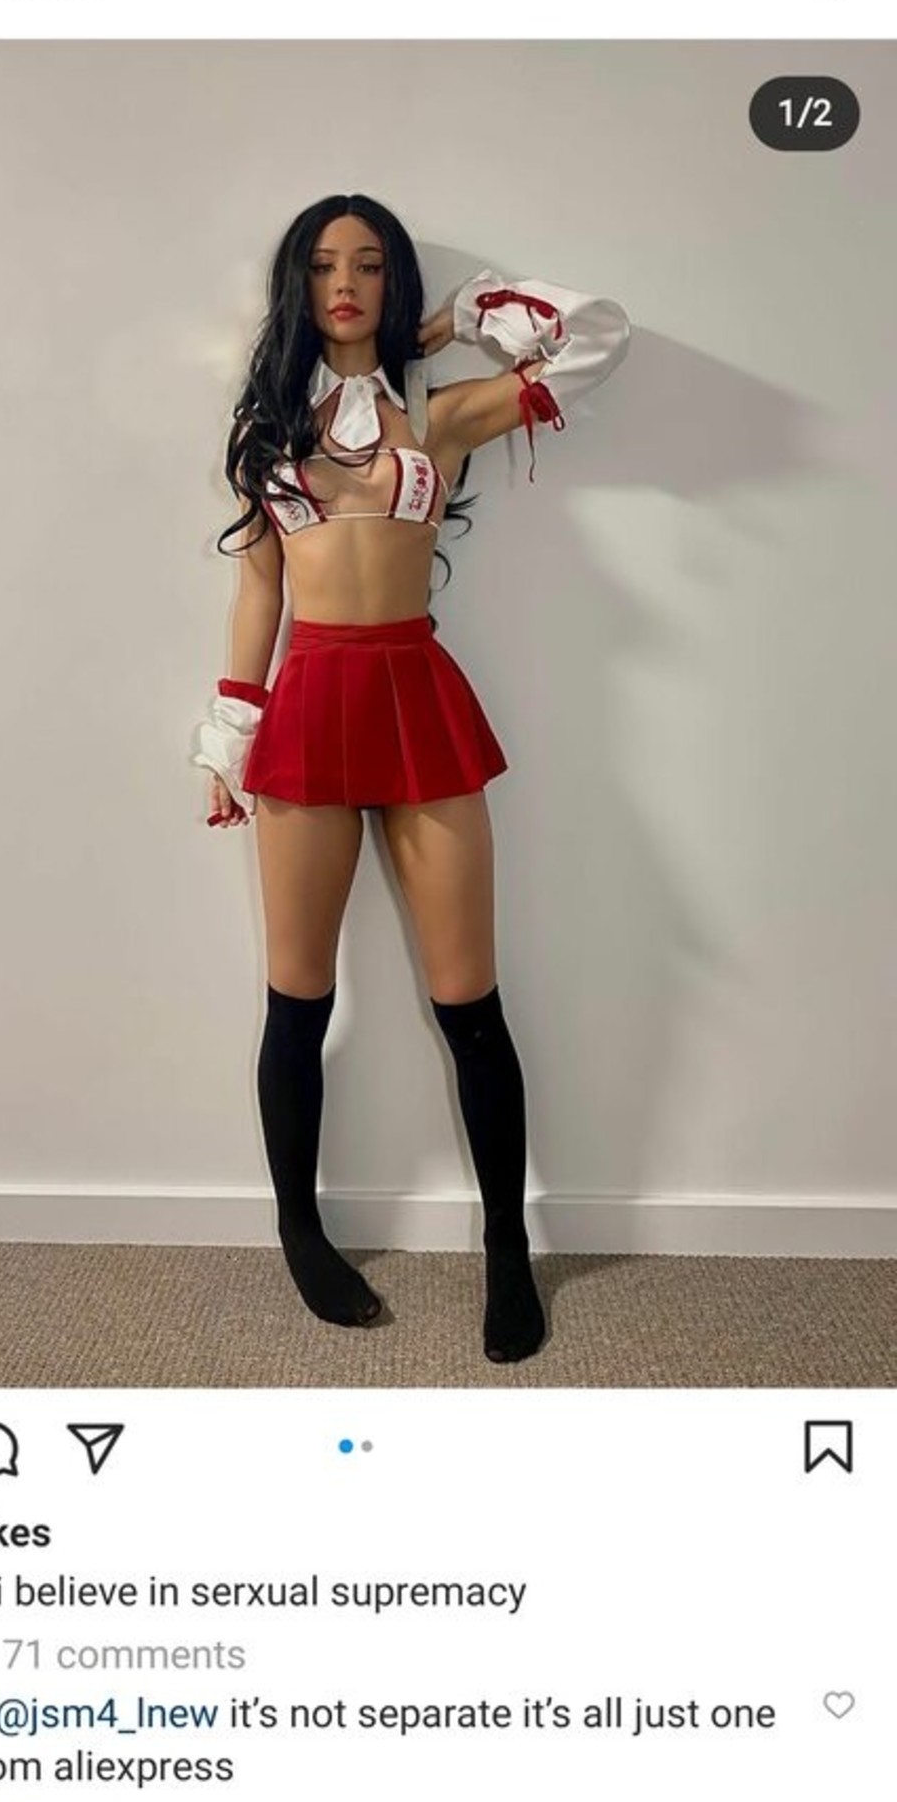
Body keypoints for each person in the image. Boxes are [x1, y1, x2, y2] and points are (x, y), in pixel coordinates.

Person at [194, 194, 629, 1362]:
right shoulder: (267, 428)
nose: (346, 283)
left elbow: (596, 335)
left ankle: (507, 1251)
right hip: (308, 709)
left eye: (372, 264)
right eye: (324, 265)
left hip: (416, 696)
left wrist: (462, 319)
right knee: (298, 999)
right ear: (298, 285)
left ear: (396, 283)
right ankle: (302, 1232)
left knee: (469, 1003)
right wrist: (229, 739)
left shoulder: (441, 413)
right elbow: (258, 591)